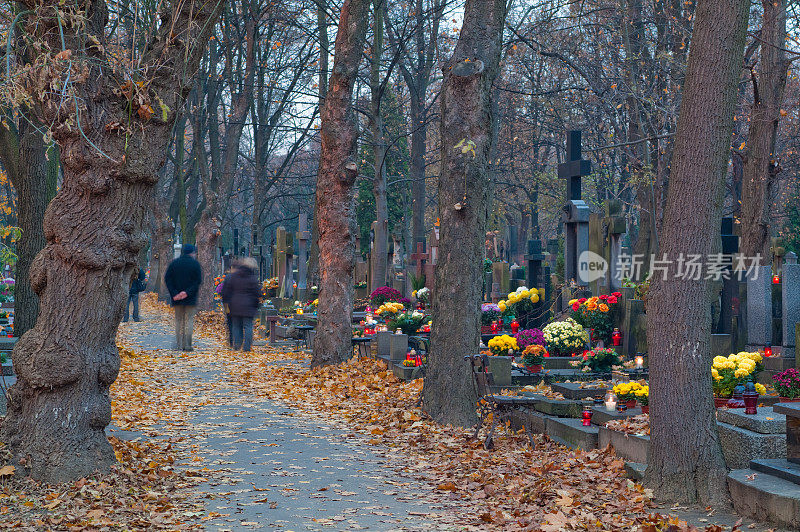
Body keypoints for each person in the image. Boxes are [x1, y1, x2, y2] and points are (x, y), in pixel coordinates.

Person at [164, 244, 203, 351]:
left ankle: (178, 344)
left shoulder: (174, 263)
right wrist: (186, 292)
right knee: (189, 321)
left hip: (176, 298)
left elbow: (168, 279)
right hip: (190, 297)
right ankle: (188, 345)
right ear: (192, 253)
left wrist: (175, 293)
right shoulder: (195, 264)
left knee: (178, 321)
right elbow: (198, 281)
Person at [221, 257, 261, 351]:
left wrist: (227, 303)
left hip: (234, 305)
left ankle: (237, 346)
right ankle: (246, 347)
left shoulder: (234, 276)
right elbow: (257, 293)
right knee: (248, 326)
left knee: (236, 326)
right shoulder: (252, 278)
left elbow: (226, 291)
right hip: (248, 305)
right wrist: (256, 305)